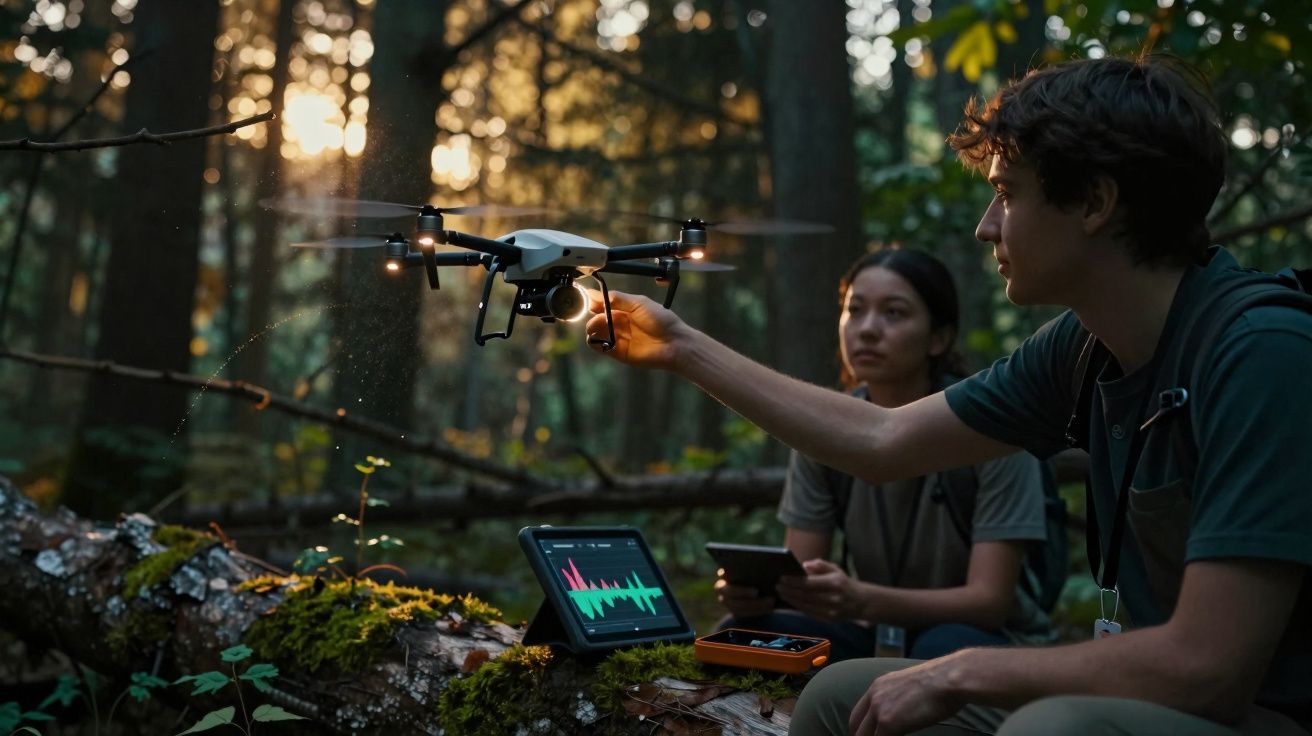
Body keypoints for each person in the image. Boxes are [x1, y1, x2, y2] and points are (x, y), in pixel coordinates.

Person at [584, 54, 1312, 736]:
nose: (985, 226)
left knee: (1050, 728)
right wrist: (681, 347)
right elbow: (883, 440)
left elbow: (1206, 668)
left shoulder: (1259, 354)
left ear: (1094, 202)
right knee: (840, 694)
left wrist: (964, 668)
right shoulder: (1082, 346)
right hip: (1172, 693)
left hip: (1261, 711)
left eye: (1006, 194)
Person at [716, 248, 1054, 663]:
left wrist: (861, 600)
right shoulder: (821, 431)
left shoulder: (990, 429)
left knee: (939, 651)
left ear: (939, 338)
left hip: (985, 637)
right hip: (872, 630)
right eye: (854, 310)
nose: (868, 329)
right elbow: (801, 575)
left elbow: (989, 602)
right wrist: (757, 596)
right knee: (738, 634)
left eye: (894, 313)